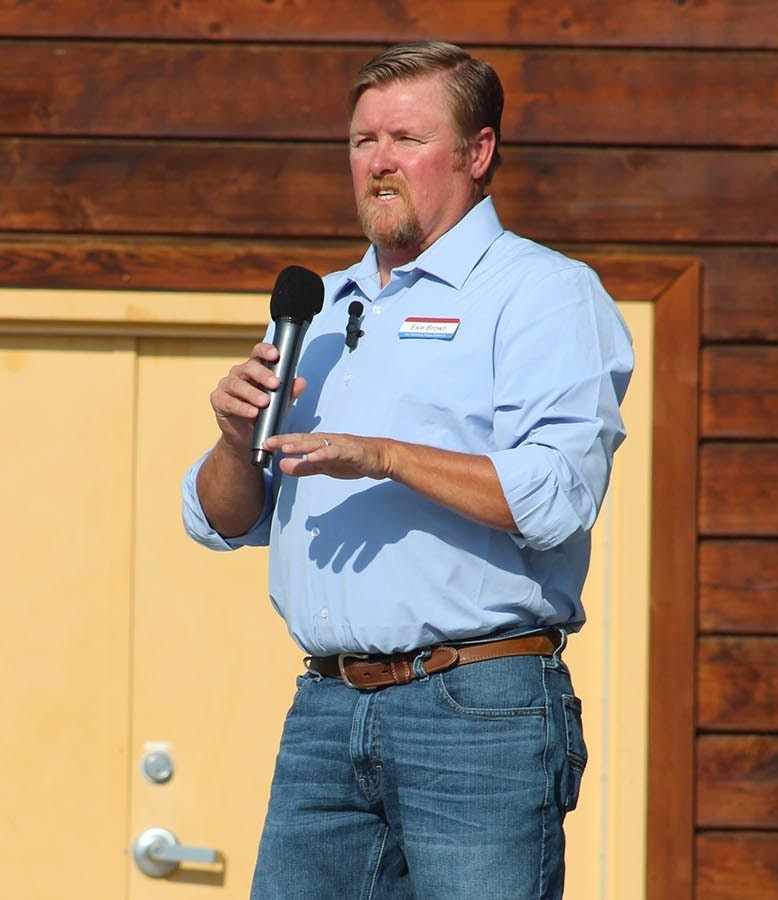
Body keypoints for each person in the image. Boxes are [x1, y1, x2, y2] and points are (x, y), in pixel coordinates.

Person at [181, 41, 633, 898]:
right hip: (326, 709)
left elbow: (556, 496)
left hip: (478, 709)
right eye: (362, 142)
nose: (379, 163)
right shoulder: (316, 307)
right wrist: (233, 439)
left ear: (478, 152)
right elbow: (225, 520)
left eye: (406, 139)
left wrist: (384, 456)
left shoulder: (542, 294)